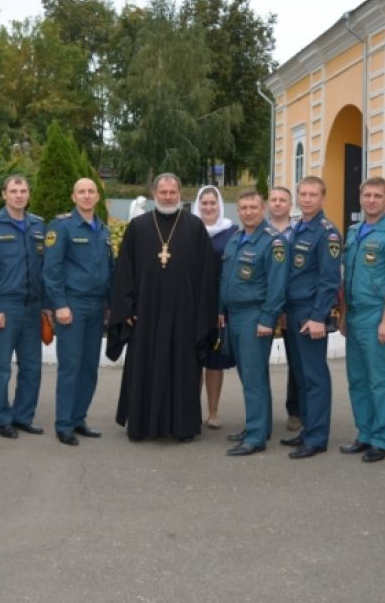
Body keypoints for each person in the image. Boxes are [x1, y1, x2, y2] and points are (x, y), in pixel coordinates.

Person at [106, 173, 219, 442]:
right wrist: (127, 308)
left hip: (184, 315)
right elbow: (124, 272)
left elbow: (207, 276)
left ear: (180, 193)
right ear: (154, 192)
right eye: (163, 192)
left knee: (183, 369)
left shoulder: (194, 227)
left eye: (173, 192)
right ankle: (143, 424)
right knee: (145, 366)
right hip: (146, 313)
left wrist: (202, 315)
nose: (168, 196)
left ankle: (182, 426)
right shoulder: (138, 226)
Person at [338, 177, 385, 463]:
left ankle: (381, 439)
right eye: (367, 195)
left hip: (376, 315)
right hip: (354, 314)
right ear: (360, 198)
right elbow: (348, 277)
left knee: (379, 380)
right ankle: (364, 433)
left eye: (377, 196)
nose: (371, 200)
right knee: (357, 379)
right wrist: (343, 314)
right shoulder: (354, 231)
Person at [44, 178, 114, 446]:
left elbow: (109, 270)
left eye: (91, 192)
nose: (86, 196)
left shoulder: (103, 230)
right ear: (73, 197)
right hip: (72, 306)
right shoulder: (62, 227)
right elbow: (51, 271)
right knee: (70, 367)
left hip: (97, 307)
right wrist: (60, 304)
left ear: (98, 197)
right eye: (81, 192)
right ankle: (63, 424)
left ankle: (78, 418)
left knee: (89, 367)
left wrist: (112, 304)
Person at [0, 175, 47, 439]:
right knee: (1, 367)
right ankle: (3, 418)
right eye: (13, 191)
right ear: (4, 195)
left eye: (23, 191)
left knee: (32, 366)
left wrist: (47, 305)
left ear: (28, 194)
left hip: (32, 307)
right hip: (5, 306)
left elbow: (44, 269)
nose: (19, 195)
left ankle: (23, 416)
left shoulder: (38, 226)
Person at [220, 192, 287, 456]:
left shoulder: (273, 242)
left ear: (264, 209)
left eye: (253, 207)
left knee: (254, 377)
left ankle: (256, 436)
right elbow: (224, 278)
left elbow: (277, 285)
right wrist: (220, 309)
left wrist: (267, 319)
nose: (248, 212)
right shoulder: (235, 240)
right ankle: (259, 425)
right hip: (235, 314)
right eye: (244, 207)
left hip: (254, 315)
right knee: (249, 374)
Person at [281, 176, 342, 459]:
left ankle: (317, 438)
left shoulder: (326, 233)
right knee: (302, 376)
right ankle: (307, 429)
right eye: (303, 194)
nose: (307, 199)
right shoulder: (297, 228)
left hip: (310, 313)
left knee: (315, 376)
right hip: (293, 311)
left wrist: (319, 317)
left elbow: (329, 281)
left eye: (312, 195)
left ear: (322, 198)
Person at [195, 185, 239, 428]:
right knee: (191, 361)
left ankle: (213, 412)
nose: (209, 207)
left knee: (213, 360)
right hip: (191, 305)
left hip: (218, 307)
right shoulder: (189, 229)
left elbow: (231, 272)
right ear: (198, 205)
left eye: (213, 203)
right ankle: (191, 408)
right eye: (204, 203)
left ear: (220, 205)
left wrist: (222, 307)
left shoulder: (231, 232)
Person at [267, 185, 300, 432]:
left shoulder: (299, 233)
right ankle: (260, 414)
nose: (278, 203)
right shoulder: (258, 231)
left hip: (292, 306)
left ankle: (295, 411)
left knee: (296, 362)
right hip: (264, 306)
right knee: (256, 364)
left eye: (283, 200)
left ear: (290, 205)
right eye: (274, 199)